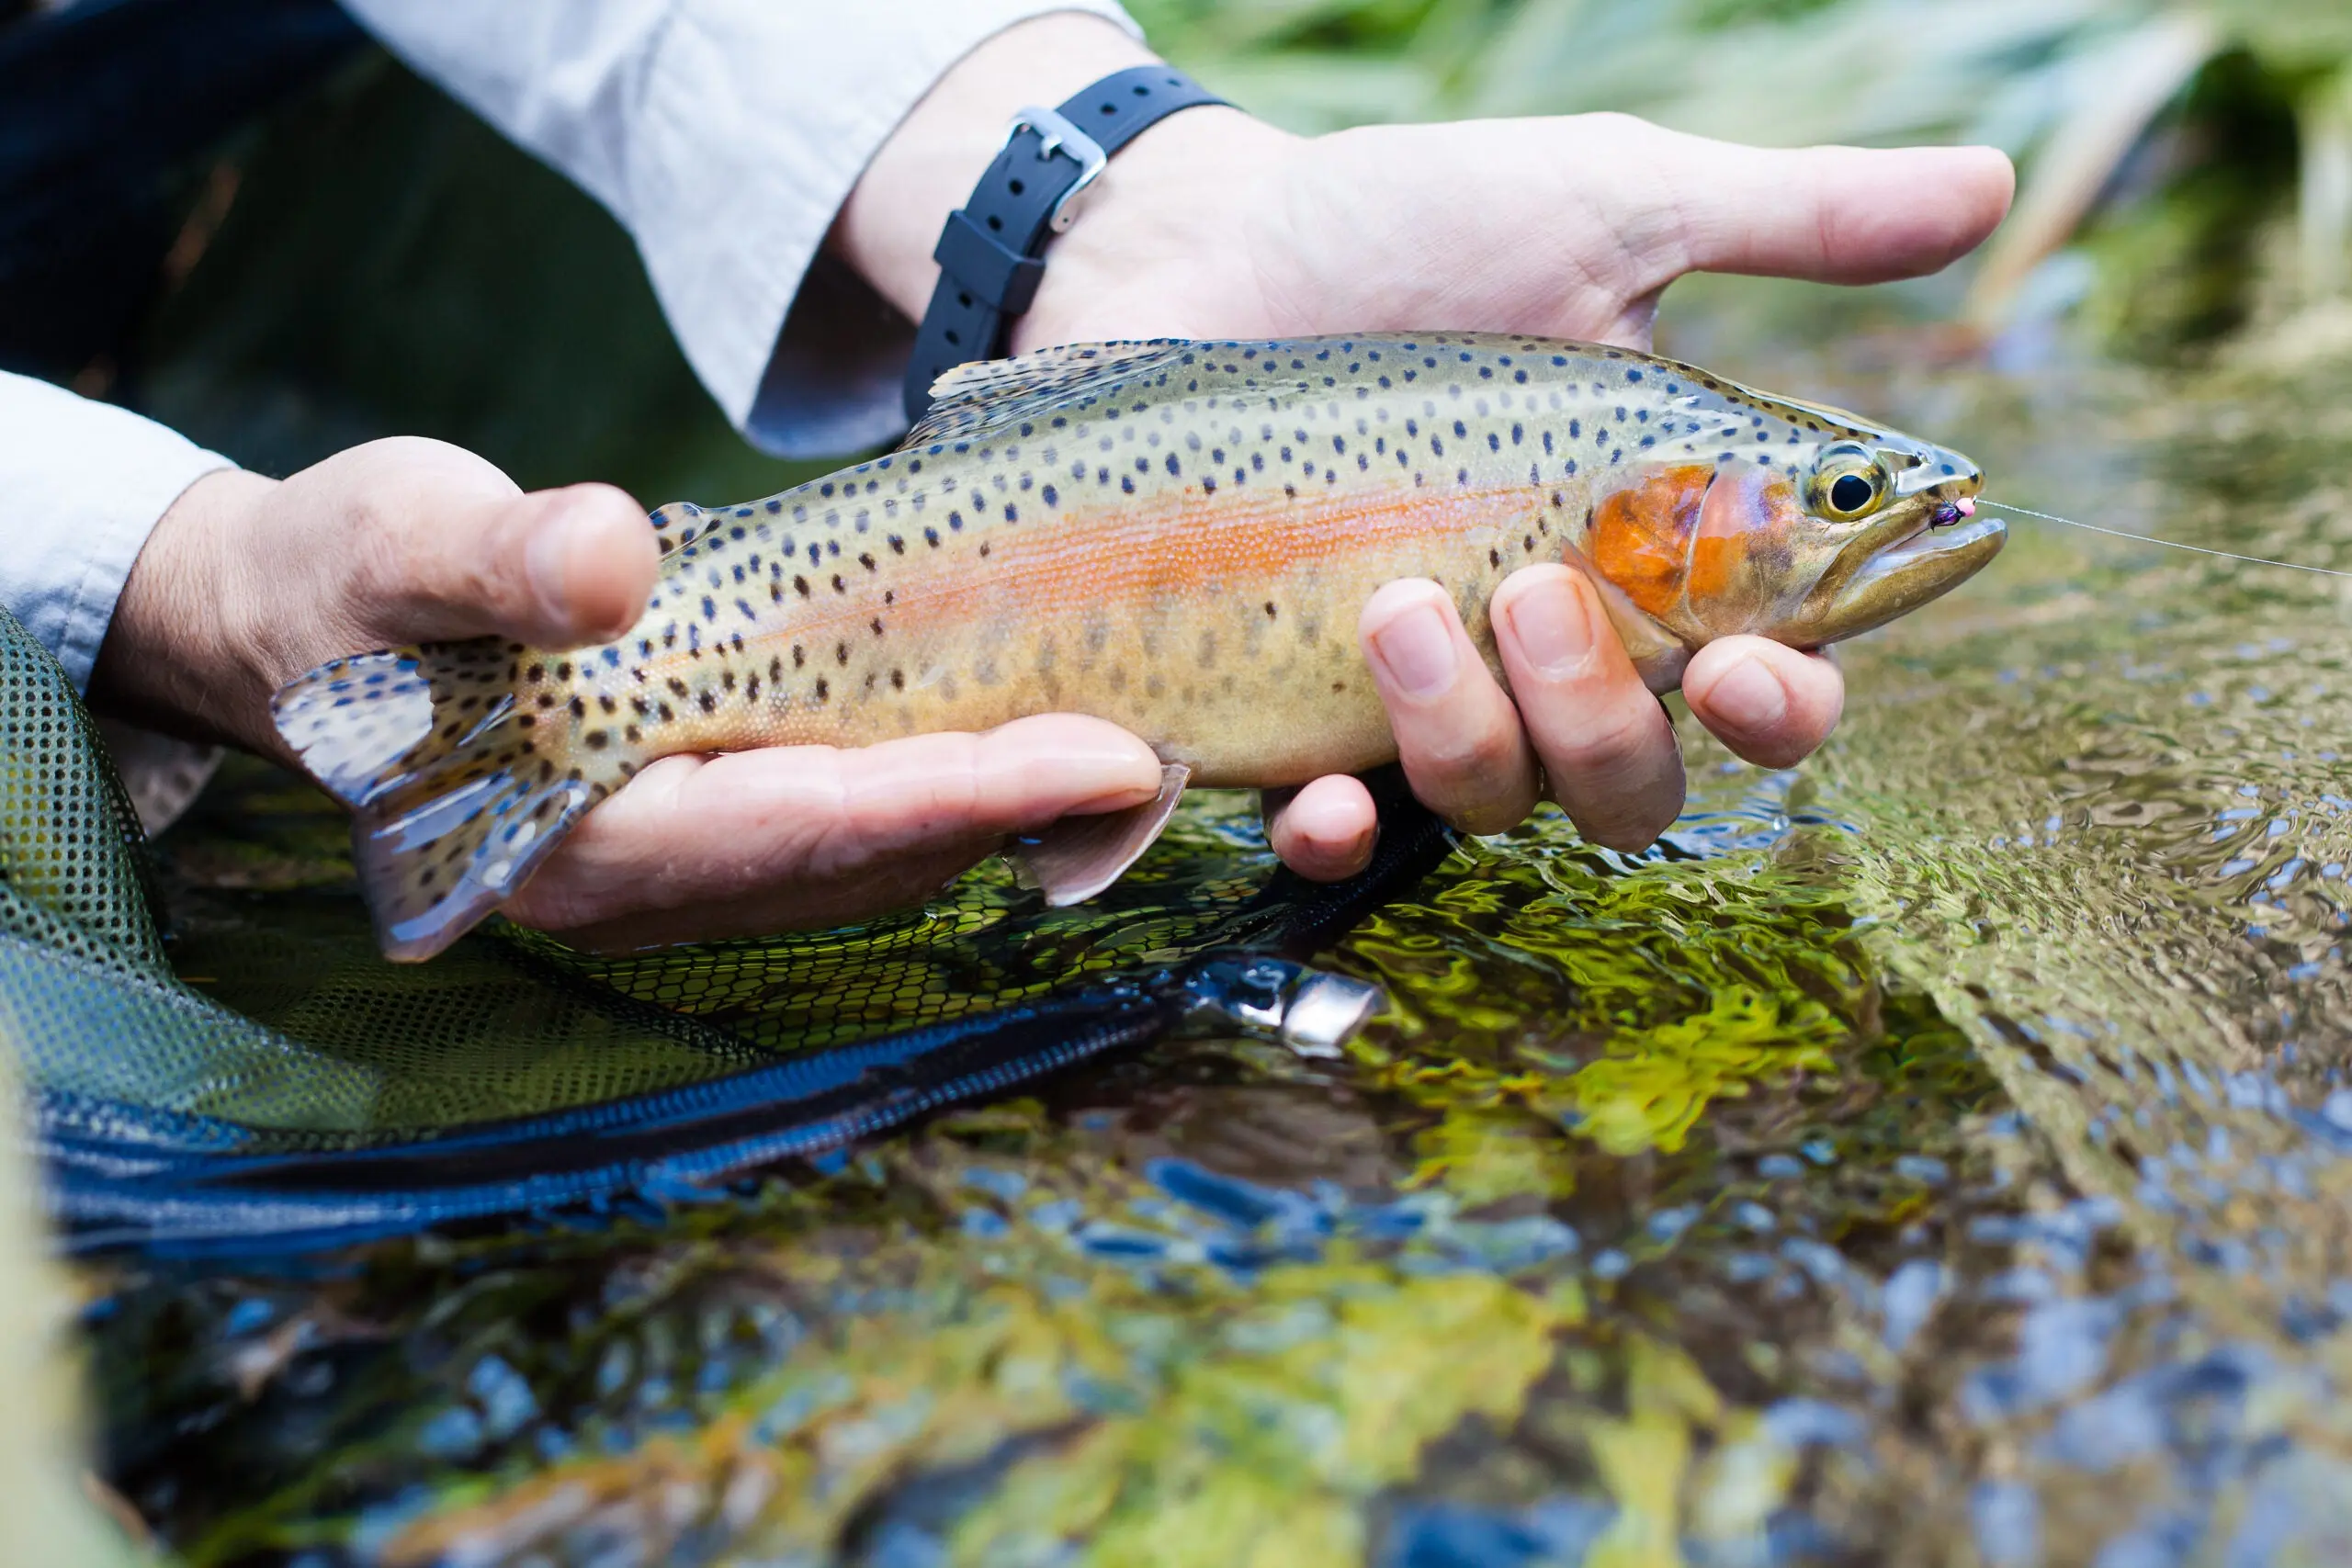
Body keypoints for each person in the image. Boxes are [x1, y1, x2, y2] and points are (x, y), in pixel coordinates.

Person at [9, 4, 2013, 952]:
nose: (1873, 516)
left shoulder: (1588, 465)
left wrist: (1096, 198)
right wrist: (178, 577)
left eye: (1833, 501)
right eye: (1837, 498)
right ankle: (482, 719)